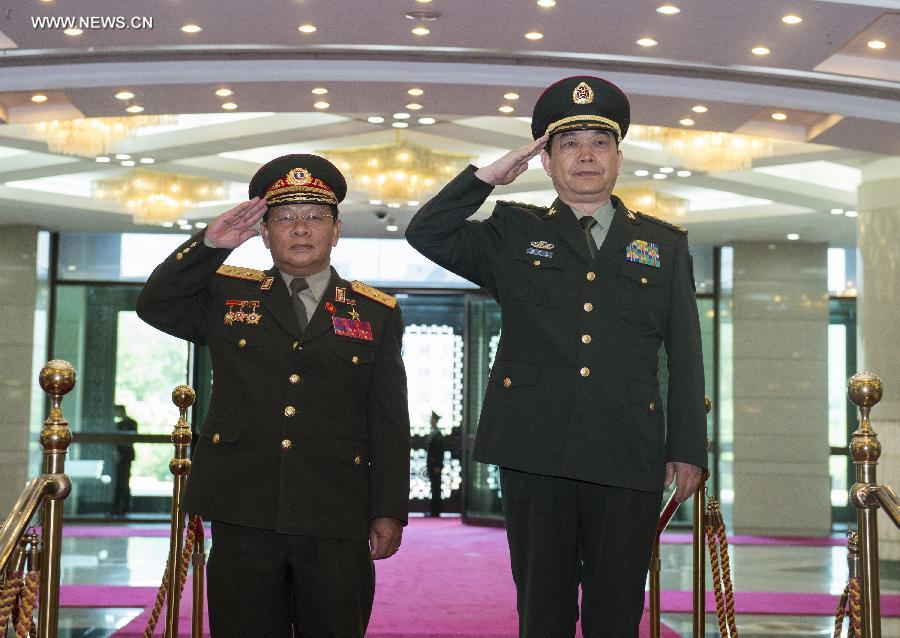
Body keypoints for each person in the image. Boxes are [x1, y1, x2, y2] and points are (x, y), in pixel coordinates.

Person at [406, 76, 707, 637]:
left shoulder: (664, 245)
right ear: (546, 160)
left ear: (619, 156)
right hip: (535, 448)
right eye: (569, 144)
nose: (586, 155)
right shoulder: (513, 231)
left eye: (599, 141)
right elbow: (426, 232)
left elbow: (686, 355)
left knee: (616, 612)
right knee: (542, 610)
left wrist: (687, 447)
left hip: (627, 451)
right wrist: (486, 179)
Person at [136, 154, 410, 638]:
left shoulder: (375, 312)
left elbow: (388, 419)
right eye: (284, 218)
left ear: (337, 229)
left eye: (314, 217)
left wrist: (387, 508)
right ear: (264, 232)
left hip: (335, 510)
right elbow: (155, 305)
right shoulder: (225, 295)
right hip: (244, 504)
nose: (300, 229)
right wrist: (207, 246)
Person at [112, 404, 137, 516]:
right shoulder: (119, 424)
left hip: (126, 455)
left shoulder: (131, 423)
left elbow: (131, 439)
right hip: (120, 455)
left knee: (124, 481)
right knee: (119, 481)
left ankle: (125, 506)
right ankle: (119, 507)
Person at [425, 411, 444, 516]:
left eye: (432, 419)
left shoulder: (437, 434)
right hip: (432, 466)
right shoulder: (433, 433)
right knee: (433, 487)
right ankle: (433, 509)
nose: (430, 421)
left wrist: (438, 465)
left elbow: (439, 452)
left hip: (435, 466)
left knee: (436, 488)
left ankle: (436, 510)